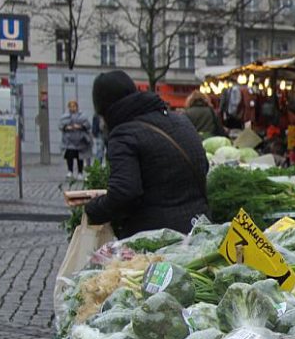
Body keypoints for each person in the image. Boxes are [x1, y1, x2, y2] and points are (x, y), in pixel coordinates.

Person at [85, 71, 209, 238]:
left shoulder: (124, 134)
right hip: (199, 227)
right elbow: (203, 166)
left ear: (104, 108)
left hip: (156, 239)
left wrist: (92, 209)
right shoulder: (181, 121)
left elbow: (124, 193)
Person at [59, 101, 92, 179]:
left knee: (79, 157)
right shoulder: (65, 116)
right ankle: (70, 171)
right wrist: (66, 127)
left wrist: (80, 126)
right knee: (69, 156)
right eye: (71, 106)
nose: (72, 108)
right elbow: (60, 126)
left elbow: (88, 125)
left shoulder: (82, 116)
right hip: (69, 140)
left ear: (77, 107)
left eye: (74, 106)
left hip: (80, 140)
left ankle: (80, 173)